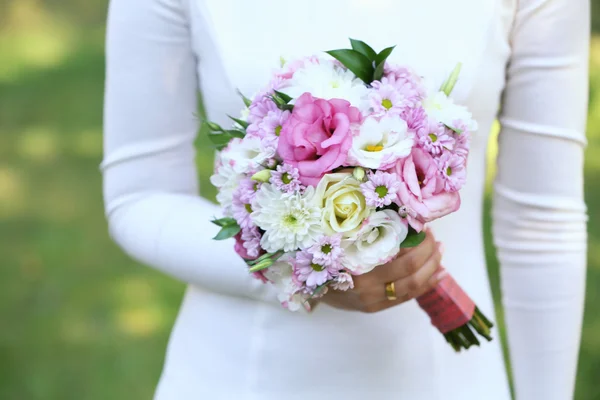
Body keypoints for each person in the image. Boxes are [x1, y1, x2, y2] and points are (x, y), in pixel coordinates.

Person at [101, 0, 589, 399]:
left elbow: (541, 223)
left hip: (451, 379)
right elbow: (140, 195)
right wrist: (297, 270)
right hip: (237, 375)